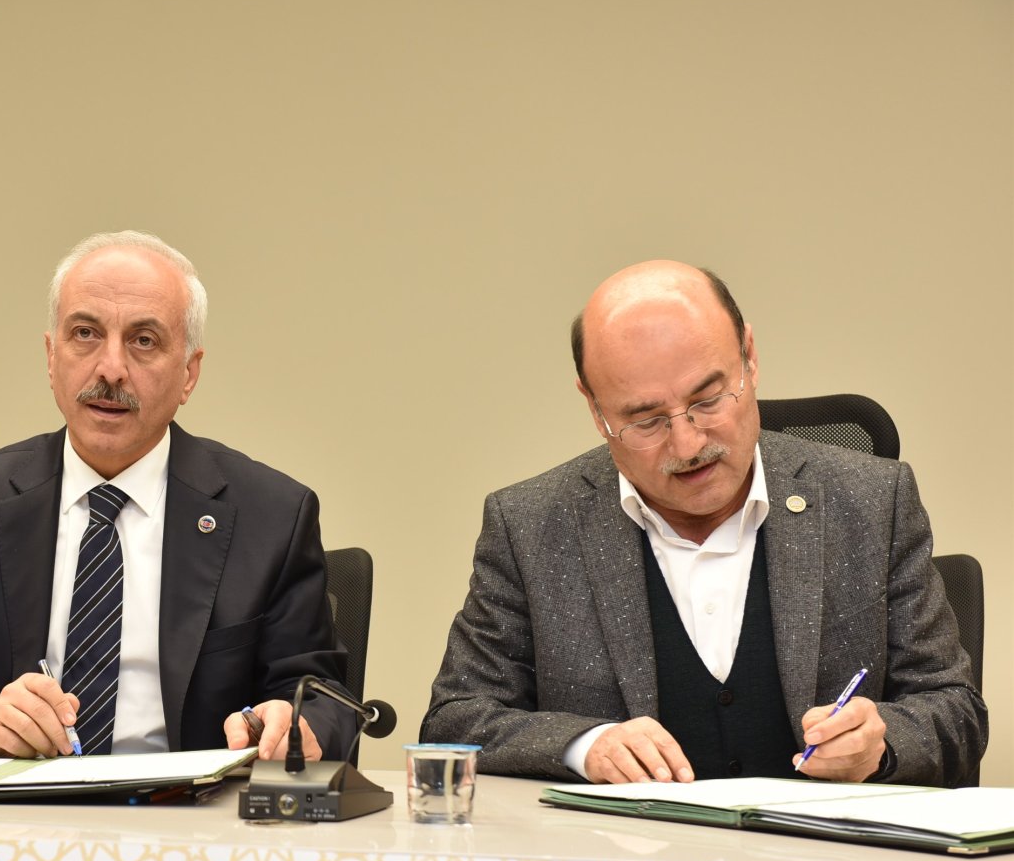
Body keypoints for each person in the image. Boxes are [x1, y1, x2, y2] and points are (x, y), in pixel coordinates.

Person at [422, 260, 985, 787]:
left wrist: (879, 746)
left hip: (825, 854)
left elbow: (955, 709)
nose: (689, 444)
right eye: (646, 421)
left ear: (750, 357)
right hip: (623, 855)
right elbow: (456, 719)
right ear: (595, 409)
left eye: (709, 400)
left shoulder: (871, 501)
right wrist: (583, 745)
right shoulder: (530, 526)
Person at [0, 230, 356, 760]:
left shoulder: (272, 516)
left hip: (191, 807)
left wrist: (291, 723)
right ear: (51, 357)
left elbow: (324, 700)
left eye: (144, 340)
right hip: (17, 803)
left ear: (189, 374)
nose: (110, 369)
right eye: (85, 333)